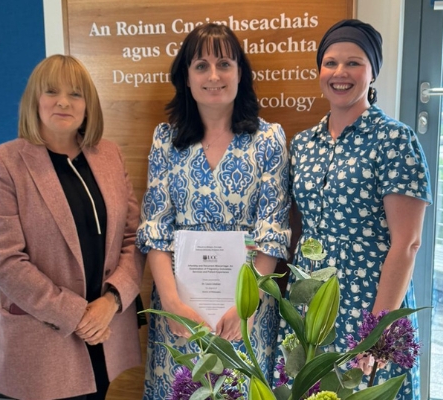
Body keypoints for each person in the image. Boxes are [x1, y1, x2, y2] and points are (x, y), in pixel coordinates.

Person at [277, 19, 432, 399]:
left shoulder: (395, 139)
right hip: (309, 297)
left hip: (370, 300)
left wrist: (377, 332)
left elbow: (407, 243)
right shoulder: (303, 143)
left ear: (372, 72)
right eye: (330, 62)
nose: (340, 73)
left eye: (354, 63)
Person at [136, 23, 291, 399]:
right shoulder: (165, 140)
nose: (214, 75)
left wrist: (246, 304)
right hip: (179, 308)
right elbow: (155, 230)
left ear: (240, 73)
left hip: (246, 309)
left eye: (225, 63)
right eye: (201, 65)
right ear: (186, 78)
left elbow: (273, 231)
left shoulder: (268, 139)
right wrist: (171, 304)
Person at [0, 54, 143, 400]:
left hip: (105, 334)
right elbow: (6, 262)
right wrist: (79, 314)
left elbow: (132, 238)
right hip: (46, 339)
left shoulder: (109, 156)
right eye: (52, 91)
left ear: (88, 105)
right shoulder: (2, 164)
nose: (64, 102)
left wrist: (111, 301)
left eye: (76, 94)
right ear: (34, 100)